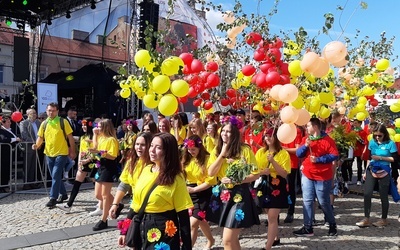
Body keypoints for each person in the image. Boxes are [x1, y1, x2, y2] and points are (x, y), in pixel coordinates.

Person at [117, 133, 193, 249]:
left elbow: (183, 215)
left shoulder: (176, 178)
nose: (152, 150)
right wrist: (124, 230)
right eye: (151, 146)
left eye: (158, 147)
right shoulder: (146, 169)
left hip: (164, 231)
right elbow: (136, 204)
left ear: (168, 151)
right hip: (142, 227)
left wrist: (187, 246)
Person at [206, 115, 260, 250]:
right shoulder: (217, 150)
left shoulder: (245, 150)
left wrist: (238, 179)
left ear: (235, 133)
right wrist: (222, 154)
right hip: (223, 196)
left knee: (227, 239)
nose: (225, 134)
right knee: (233, 240)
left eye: (228, 131)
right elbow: (211, 172)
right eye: (223, 130)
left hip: (240, 196)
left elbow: (255, 174)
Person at [293, 118, 339, 237]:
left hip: (323, 176)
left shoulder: (327, 140)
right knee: (307, 201)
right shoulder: (306, 139)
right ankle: (308, 227)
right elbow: (298, 154)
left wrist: (319, 160)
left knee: (323, 202)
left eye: (308, 126)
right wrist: (305, 146)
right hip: (308, 174)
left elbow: (334, 155)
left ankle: (332, 223)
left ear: (315, 127)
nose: (306, 128)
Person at [32, 102, 76, 208]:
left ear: (57, 111)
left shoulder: (63, 121)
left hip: (61, 152)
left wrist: (73, 151)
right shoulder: (44, 123)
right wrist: (36, 145)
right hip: (49, 153)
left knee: (56, 175)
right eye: (49, 110)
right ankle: (64, 194)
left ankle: (53, 198)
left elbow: (70, 137)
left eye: (53, 110)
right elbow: (40, 137)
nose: (51, 112)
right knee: (54, 176)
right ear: (46, 111)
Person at [356, 124, 398, 228]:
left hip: (384, 170)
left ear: (385, 134)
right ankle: (366, 218)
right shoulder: (372, 142)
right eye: (375, 135)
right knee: (367, 193)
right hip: (372, 169)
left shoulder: (391, 144)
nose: (377, 137)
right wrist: (365, 171)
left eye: (380, 135)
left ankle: (384, 219)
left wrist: (380, 158)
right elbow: (369, 158)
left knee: (383, 196)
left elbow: (394, 159)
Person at [255, 128, 291, 249]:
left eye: (270, 135)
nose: (267, 138)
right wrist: (262, 171)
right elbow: (255, 169)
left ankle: (268, 246)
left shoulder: (283, 153)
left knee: (272, 217)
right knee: (268, 212)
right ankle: (275, 238)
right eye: (265, 136)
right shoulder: (260, 152)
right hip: (264, 185)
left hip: (278, 186)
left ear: (276, 137)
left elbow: (285, 173)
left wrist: (273, 162)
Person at [181, 135, 216, 249]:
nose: (191, 152)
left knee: (193, 224)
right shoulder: (186, 158)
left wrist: (194, 189)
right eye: (189, 150)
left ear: (200, 148)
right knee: (200, 220)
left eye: (193, 150)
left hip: (203, 193)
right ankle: (211, 240)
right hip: (189, 192)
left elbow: (211, 181)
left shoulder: (207, 159)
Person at [56, 118, 97, 213]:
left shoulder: (94, 136)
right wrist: (79, 161)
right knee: (77, 183)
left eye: (85, 125)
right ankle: (69, 204)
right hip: (83, 162)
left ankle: (103, 202)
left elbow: (95, 149)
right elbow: (81, 150)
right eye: (82, 125)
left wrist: (87, 160)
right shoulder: (83, 137)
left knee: (96, 183)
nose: (83, 127)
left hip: (93, 161)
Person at [108, 132, 153, 219]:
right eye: (137, 144)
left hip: (151, 207)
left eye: (143, 145)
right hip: (135, 205)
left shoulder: (155, 164)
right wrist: (115, 204)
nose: (139, 147)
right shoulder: (132, 162)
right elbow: (124, 184)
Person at [89, 118, 119, 231]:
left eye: (100, 127)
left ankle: (104, 219)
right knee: (98, 195)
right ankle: (117, 203)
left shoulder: (112, 140)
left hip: (109, 166)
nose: (98, 128)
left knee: (105, 195)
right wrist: (94, 135)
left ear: (106, 127)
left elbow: (113, 155)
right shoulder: (101, 137)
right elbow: (96, 146)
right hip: (101, 166)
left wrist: (101, 153)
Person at [281, 125, 303, 223]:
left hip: (291, 164)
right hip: (278, 163)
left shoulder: (296, 131)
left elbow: (297, 150)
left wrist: (284, 149)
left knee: (290, 189)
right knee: (278, 188)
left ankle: (290, 212)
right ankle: (274, 215)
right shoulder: (280, 130)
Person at [19, 108, 42, 190]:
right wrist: (35, 142)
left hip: (37, 147)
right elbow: (24, 135)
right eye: (32, 113)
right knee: (27, 166)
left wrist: (39, 143)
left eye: (35, 113)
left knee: (34, 166)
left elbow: (41, 133)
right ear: (27, 114)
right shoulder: (24, 123)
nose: (34, 115)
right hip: (29, 147)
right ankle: (26, 184)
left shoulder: (38, 123)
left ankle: (32, 182)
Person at [0, 116, 22, 193]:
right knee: (4, 169)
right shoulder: (1, 130)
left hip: (11, 152)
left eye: (10, 121)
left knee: (8, 169)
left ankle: (6, 184)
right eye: (8, 122)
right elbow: (3, 139)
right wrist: (15, 139)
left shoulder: (11, 130)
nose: (10, 123)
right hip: (4, 153)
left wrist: (17, 139)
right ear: (3, 123)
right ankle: (3, 186)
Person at [351, 119, 368, 186]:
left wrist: (359, 139)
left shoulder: (363, 132)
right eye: (354, 123)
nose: (354, 125)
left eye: (356, 123)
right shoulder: (353, 132)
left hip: (361, 151)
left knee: (361, 166)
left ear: (360, 124)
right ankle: (354, 179)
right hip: (354, 151)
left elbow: (365, 142)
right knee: (352, 165)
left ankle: (361, 179)